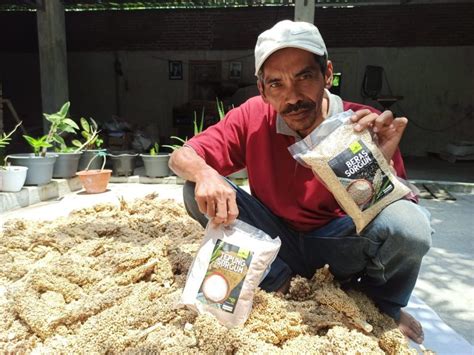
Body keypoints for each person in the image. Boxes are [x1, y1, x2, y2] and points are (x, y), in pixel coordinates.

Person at [169, 20, 432, 344]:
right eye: (276, 83)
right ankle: (281, 280)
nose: (292, 96)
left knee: (410, 226)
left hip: (338, 245)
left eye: (304, 76)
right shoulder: (253, 117)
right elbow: (181, 156)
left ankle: (382, 306)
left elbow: (399, 220)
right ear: (262, 89)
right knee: (195, 190)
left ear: (327, 74)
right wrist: (206, 174)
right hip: (274, 240)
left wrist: (382, 164)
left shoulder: (361, 123)